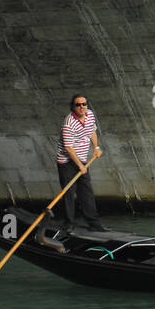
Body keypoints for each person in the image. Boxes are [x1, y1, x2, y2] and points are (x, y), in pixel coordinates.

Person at [54, 94, 106, 231]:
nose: (81, 107)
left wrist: (96, 147)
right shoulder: (68, 123)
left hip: (82, 160)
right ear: (73, 107)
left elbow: (92, 132)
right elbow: (69, 148)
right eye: (78, 105)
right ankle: (69, 224)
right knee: (69, 192)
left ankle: (94, 224)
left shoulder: (90, 115)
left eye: (84, 104)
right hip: (66, 161)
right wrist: (79, 166)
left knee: (86, 191)